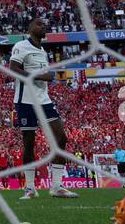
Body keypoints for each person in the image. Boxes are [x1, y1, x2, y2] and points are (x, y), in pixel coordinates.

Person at [8, 17, 78, 200]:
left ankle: (57, 186)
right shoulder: (22, 46)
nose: (43, 26)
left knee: (61, 138)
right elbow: (13, 68)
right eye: (39, 24)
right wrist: (39, 76)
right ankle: (30, 188)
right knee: (29, 142)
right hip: (25, 101)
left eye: (44, 24)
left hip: (44, 100)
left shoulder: (43, 51)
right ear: (30, 28)